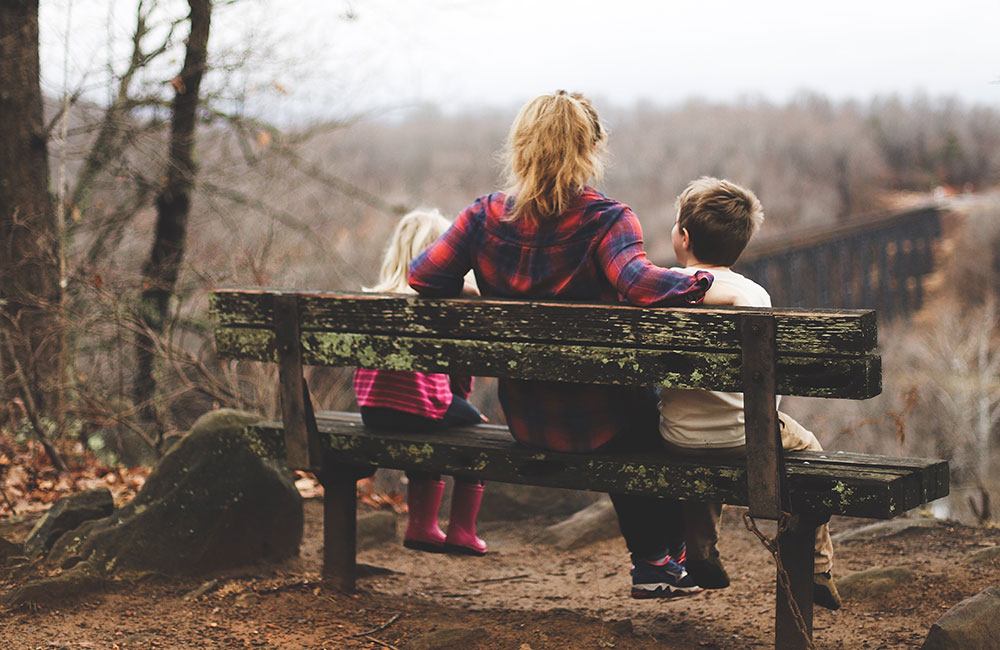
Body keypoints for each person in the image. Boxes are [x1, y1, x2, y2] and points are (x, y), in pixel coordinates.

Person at [408, 90, 730, 599]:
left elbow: (422, 276)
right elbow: (640, 284)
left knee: (635, 412)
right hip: (605, 422)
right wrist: (704, 284)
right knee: (651, 415)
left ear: (520, 147)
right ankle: (663, 560)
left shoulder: (482, 217)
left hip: (528, 419)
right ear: (589, 148)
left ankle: (663, 562)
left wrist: (471, 289)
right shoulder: (607, 219)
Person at [656, 176, 842, 610]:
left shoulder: (661, 288)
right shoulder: (754, 295)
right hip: (747, 436)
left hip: (677, 437)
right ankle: (817, 566)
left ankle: (700, 552)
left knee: (702, 443)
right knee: (809, 449)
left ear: (683, 237)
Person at [353, 209, 489, 556]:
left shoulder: (374, 299)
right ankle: (461, 531)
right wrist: (464, 403)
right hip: (420, 409)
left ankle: (422, 525)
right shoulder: (439, 303)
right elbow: (459, 372)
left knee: (428, 419)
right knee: (476, 429)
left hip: (372, 411)